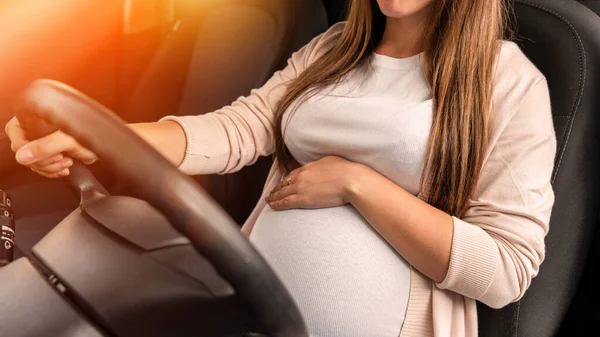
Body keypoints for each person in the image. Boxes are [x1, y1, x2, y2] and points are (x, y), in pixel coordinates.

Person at [4, 0, 557, 336]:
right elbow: (238, 128)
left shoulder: (508, 80)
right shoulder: (332, 50)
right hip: (247, 314)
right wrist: (100, 141)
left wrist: (354, 182)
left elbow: (506, 270)